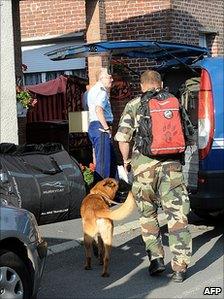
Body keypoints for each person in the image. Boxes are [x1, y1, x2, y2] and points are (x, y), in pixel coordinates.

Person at [114, 70, 192, 283]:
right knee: (177, 216)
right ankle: (180, 268)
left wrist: (127, 161)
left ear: (142, 86)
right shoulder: (174, 101)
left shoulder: (134, 105)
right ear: (161, 84)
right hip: (172, 169)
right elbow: (188, 134)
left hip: (144, 171)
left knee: (148, 215)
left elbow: (123, 138)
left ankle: (156, 259)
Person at [87, 68, 117, 181]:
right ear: (101, 78)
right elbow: (98, 109)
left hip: (95, 127)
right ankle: (100, 194)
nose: (112, 79)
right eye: (109, 77)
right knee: (104, 165)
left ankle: (116, 189)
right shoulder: (102, 91)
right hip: (101, 127)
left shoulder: (93, 90)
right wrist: (106, 128)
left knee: (111, 161)